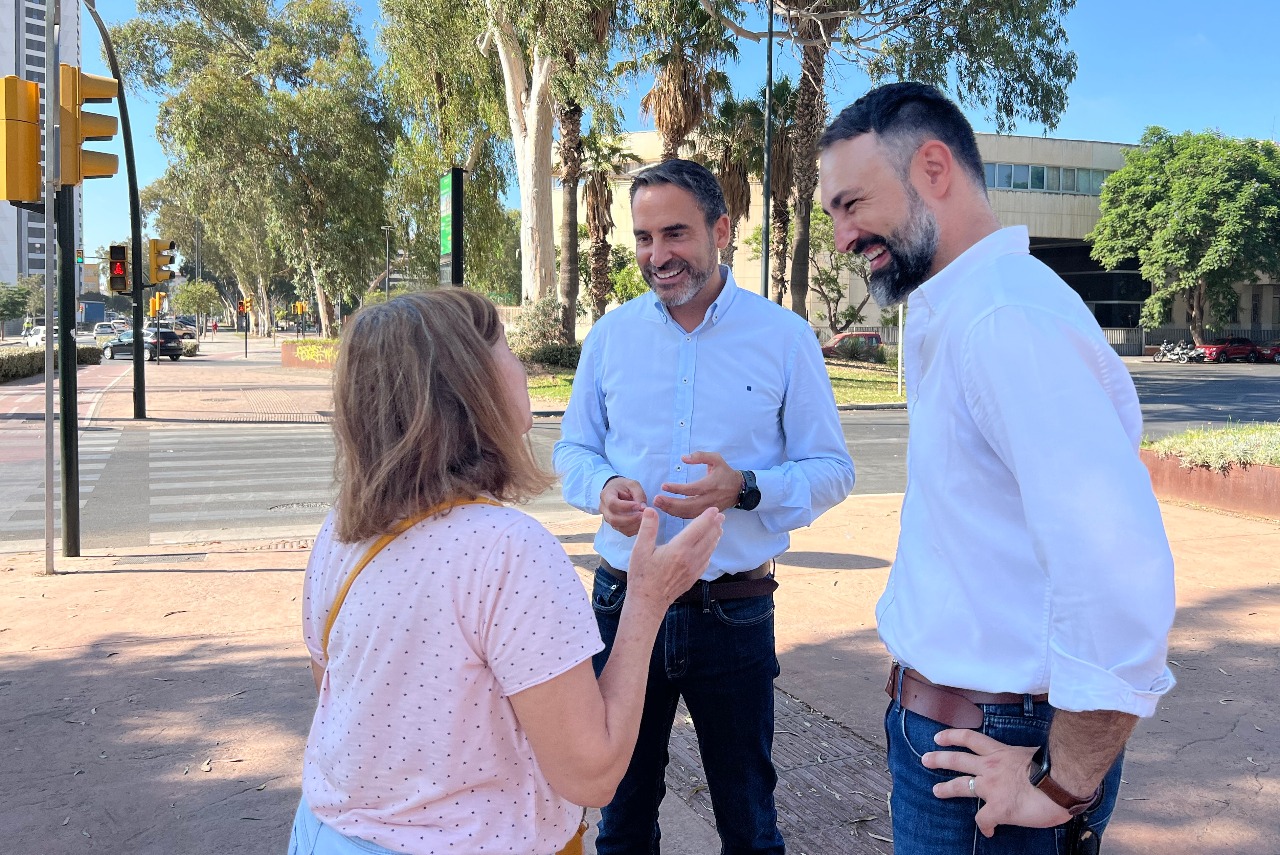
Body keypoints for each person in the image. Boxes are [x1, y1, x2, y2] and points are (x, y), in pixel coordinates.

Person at [817, 82, 1176, 854]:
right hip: (961, 736)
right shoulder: (958, 306)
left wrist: (1063, 781)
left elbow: (1115, 567)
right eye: (833, 215)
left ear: (934, 167)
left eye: (853, 203)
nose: (842, 235)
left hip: (993, 751)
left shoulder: (1004, 318)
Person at [292, 289, 725, 855]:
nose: (520, 366)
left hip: (326, 835)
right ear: (469, 385)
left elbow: (333, 685)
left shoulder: (342, 530)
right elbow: (592, 775)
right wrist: (648, 600)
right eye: (506, 347)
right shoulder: (508, 552)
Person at [554, 159, 855, 854]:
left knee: (748, 819)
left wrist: (746, 487)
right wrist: (601, 488)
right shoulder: (611, 336)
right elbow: (572, 450)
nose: (657, 255)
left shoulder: (782, 337)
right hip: (623, 605)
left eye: (675, 233)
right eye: (643, 237)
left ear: (721, 229)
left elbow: (833, 470)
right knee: (621, 814)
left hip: (734, 610)